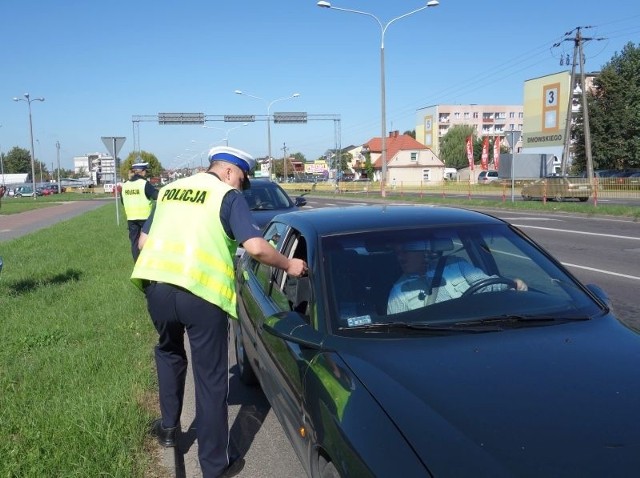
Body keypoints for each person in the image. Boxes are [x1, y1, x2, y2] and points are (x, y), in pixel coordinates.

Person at [130, 146, 307, 478]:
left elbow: (142, 242)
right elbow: (255, 247)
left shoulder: (170, 190)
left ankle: (168, 430)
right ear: (228, 172)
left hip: (157, 289)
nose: (241, 186)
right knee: (210, 378)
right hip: (200, 294)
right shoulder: (227, 196)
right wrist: (289, 264)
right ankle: (214, 465)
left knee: (168, 352)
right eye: (241, 179)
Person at [387, 239, 527, 314]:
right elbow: (399, 335)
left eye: (406, 251)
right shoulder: (399, 292)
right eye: (397, 253)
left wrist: (511, 284)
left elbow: (487, 285)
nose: (400, 257)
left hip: (481, 328)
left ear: (422, 251)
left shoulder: (456, 265)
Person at [121, 162, 158, 262]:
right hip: (146, 218)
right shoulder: (144, 184)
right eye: (145, 171)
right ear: (142, 172)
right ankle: (149, 263)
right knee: (148, 242)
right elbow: (156, 196)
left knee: (134, 243)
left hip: (131, 218)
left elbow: (122, 201)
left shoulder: (125, 185)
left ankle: (137, 265)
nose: (146, 173)